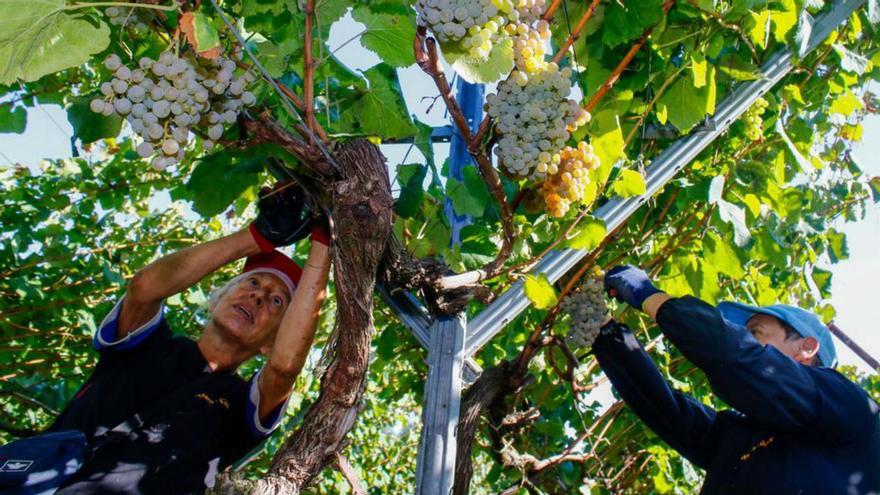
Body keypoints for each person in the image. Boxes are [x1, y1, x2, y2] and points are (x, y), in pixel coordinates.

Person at [42, 182, 330, 494]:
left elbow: (285, 367)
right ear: (216, 298)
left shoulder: (243, 408)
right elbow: (143, 288)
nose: (259, 295)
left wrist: (324, 239)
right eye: (253, 282)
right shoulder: (145, 344)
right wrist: (258, 235)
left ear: (270, 344)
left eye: (277, 302)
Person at [594, 264, 880, 494]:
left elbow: (743, 359)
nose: (746, 339)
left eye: (755, 333)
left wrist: (651, 297)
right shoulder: (744, 436)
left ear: (806, 347)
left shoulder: (848, 406)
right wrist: (607, 336)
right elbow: (666, 410)